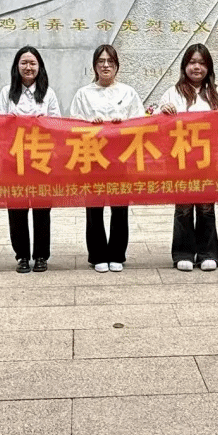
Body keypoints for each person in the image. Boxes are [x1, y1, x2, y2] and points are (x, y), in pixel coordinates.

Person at [69, 44, 145, 273]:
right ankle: (98, 254)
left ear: (116, 66)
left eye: (110, 61)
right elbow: (74, 125)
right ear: (94, 66)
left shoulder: (128, 92)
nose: (105, 65)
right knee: (94, 208)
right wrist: (89, 125)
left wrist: (124, 125)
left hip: (120, 158)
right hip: (93, 157)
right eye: (101, 61)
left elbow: (140, 122)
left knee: (120, 208)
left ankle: (117, 254)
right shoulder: (83, 94)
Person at [158, 43, 218, 272]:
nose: (197, 67)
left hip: (209, 160)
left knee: (206, 206)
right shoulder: (173, 92)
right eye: (192, 62)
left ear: (208, 67)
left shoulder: (217, 93)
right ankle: (183, 253)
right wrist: (164, 111)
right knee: (183, 207)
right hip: (181, 160)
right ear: (184, 66)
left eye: (202, 63)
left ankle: (208, 253)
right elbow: (157, 123)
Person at [0, 46, 61, 273]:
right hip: (14, 160)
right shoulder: (6, 92)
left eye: (33, 63)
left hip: (41, 159)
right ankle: (22, 256)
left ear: (39, 67)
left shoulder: (48, 93)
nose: (28, 67)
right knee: (17, 208)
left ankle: (41, 255)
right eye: (23, 63)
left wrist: (45, 122)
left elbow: (58, 125)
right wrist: (8, 121)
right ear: (16, 66)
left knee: (42, 208)